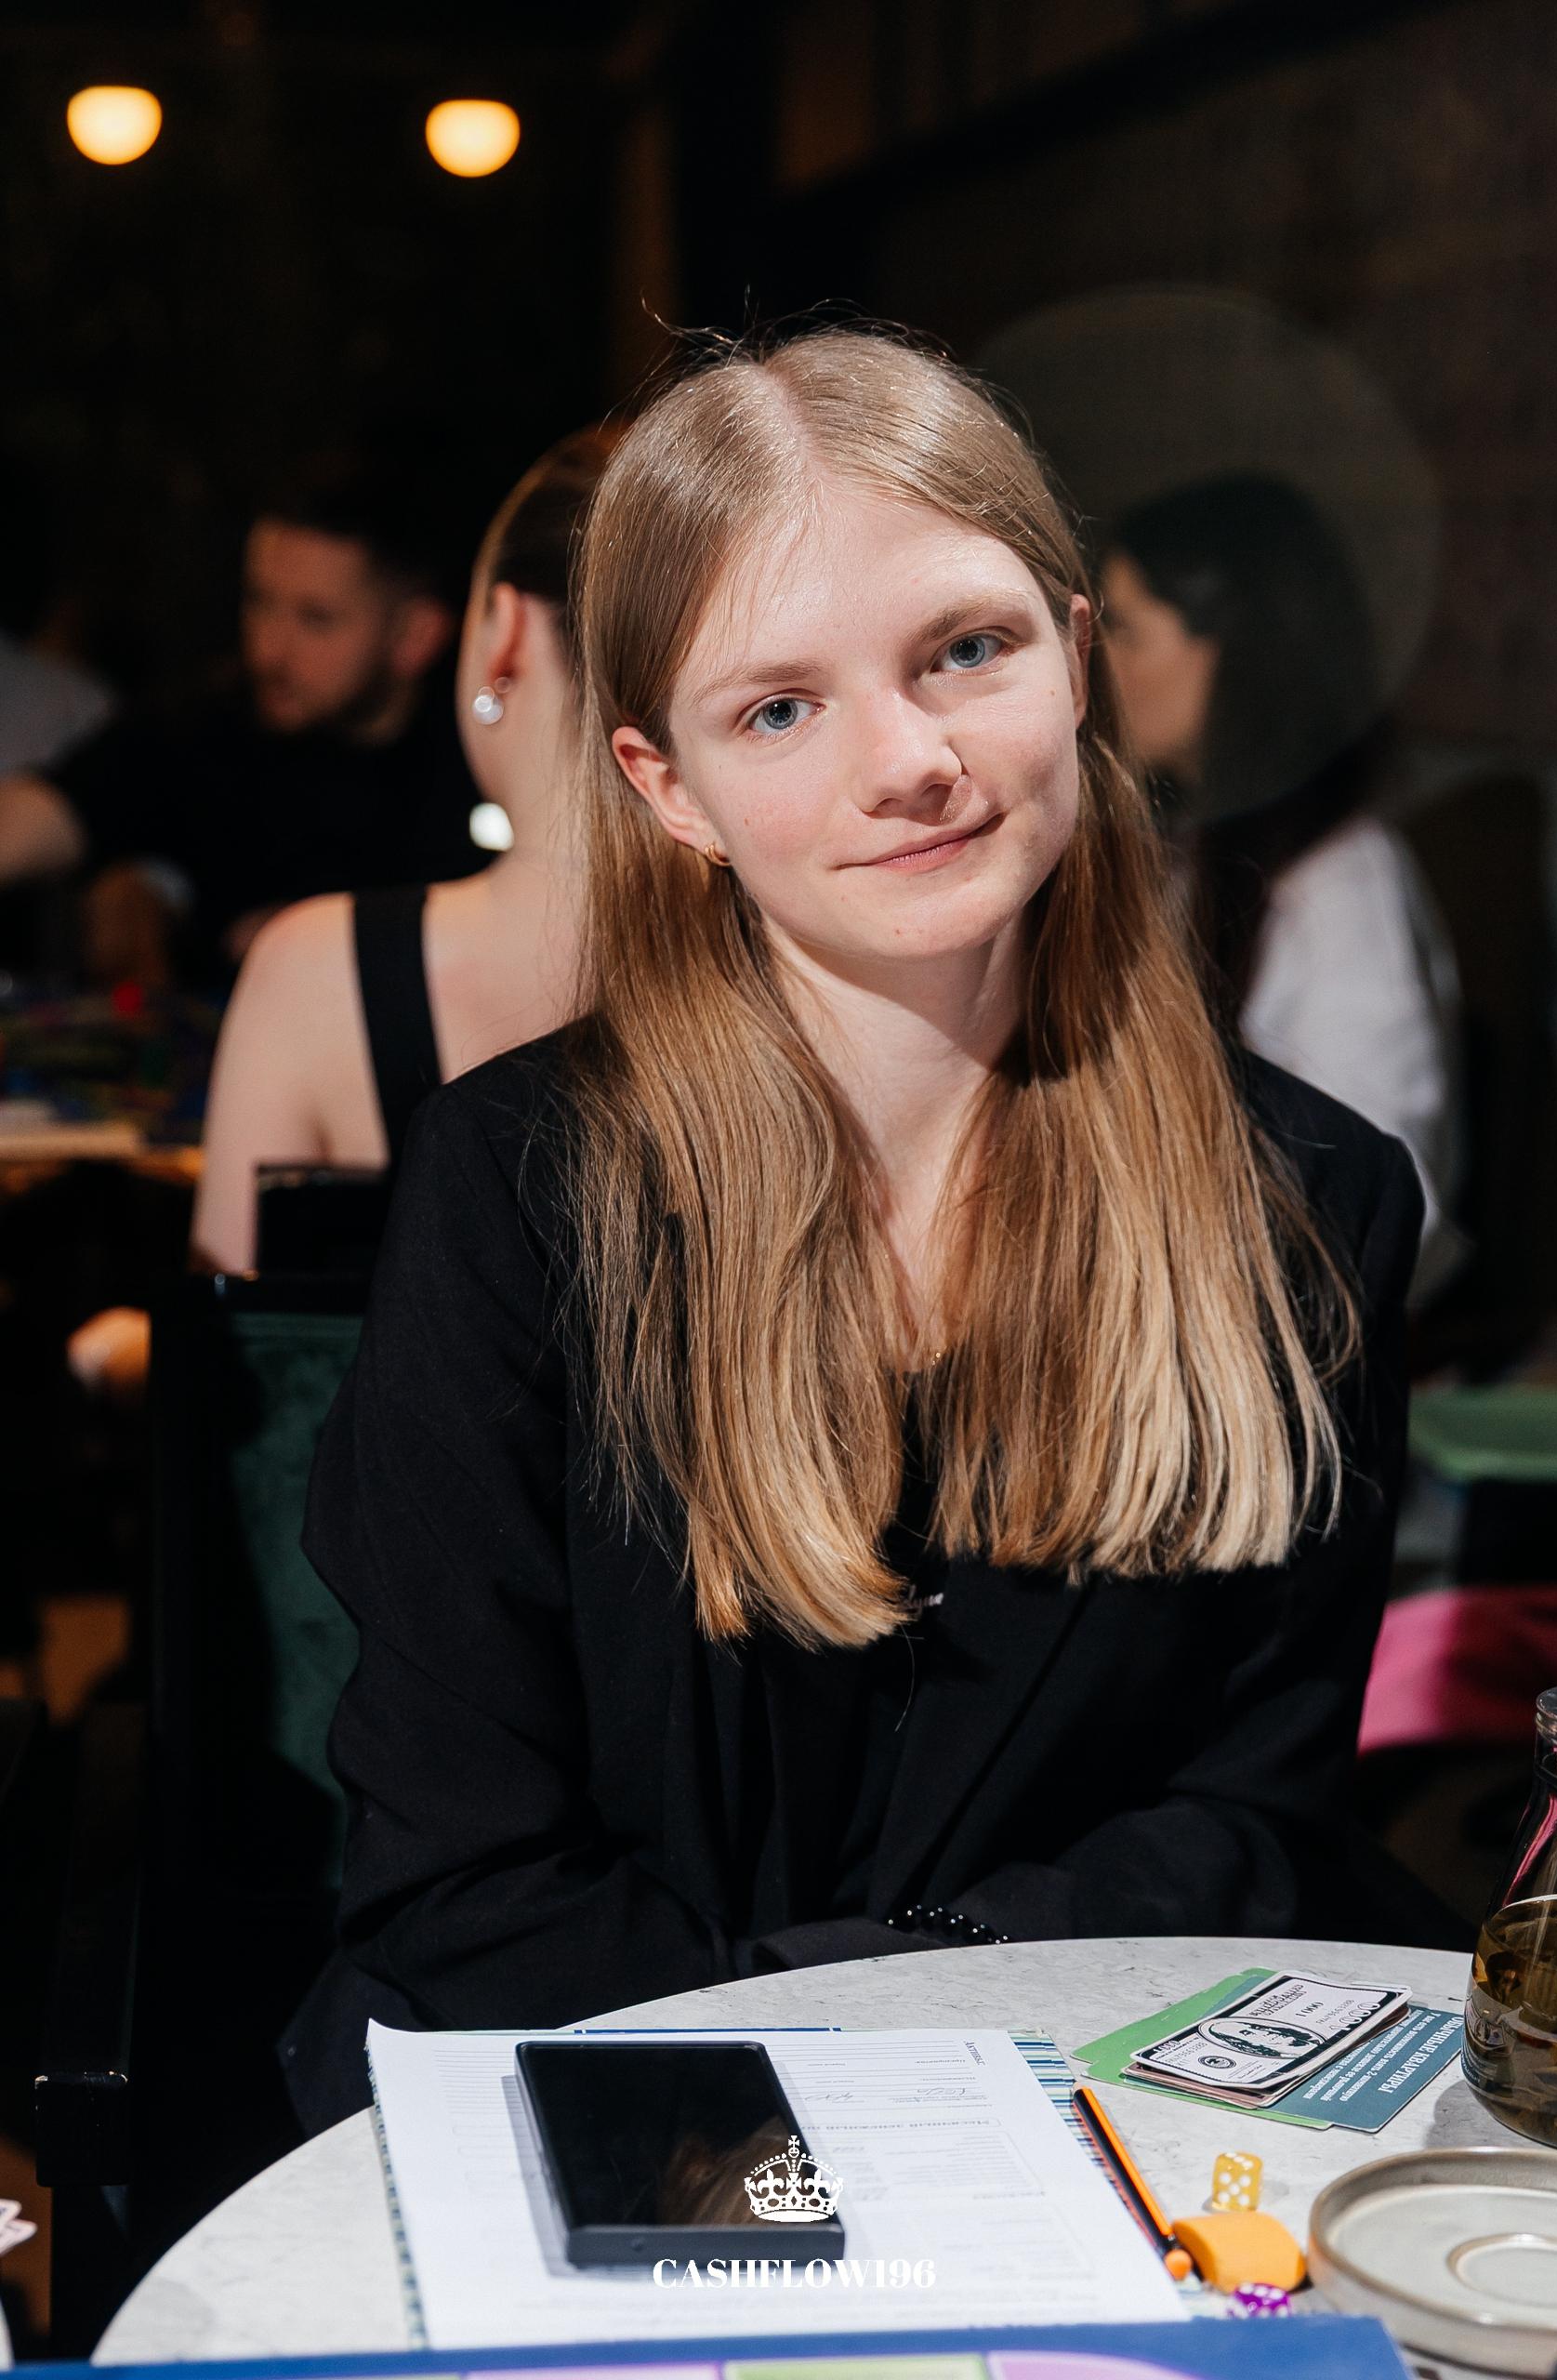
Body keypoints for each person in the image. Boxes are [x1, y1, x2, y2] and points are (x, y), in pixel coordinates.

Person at [282, 328, 1425, 2134]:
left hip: (1088, 2112)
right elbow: (467, 1880)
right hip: (607, 2098)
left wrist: (917, 2032)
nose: (910, 760)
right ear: (667, 786)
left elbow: (1245, 1827)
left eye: (963, 649)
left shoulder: (1306, 1204)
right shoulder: (513, 1192)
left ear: (1072, 652)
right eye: (779, 708)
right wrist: (853, 2057)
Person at [188, 430, 614, 1276]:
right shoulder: (811, 971)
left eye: (314, 616)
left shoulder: (319, 974)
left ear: (504, 635)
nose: (270, 648)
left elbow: (241, 1345)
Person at [1102, 474, 1460, 1289]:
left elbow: (1389, 1208)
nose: (1099, 664)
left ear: (1227, 652)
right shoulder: (1195, 851)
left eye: (1125, 630)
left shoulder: (1342, 890)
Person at [0, 456, 480, 977]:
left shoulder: (476, 763)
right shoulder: (207, 727)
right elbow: (54, 807)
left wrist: (328, 938)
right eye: (259, 601)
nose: (269, 649)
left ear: (415, 635)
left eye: (316, 619)